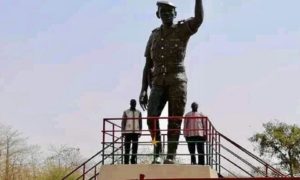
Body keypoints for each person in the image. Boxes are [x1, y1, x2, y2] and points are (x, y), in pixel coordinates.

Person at [139, 0, 204, 164]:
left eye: (170, 12)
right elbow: (148, 64)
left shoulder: (182, 30)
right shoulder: (153, 35)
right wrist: (144, 89)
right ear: (158, 14)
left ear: (175, 14)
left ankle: (170, 155)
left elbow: (198, 19)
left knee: (174, 120)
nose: (167, 14)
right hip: (158, 81)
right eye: (163, 12)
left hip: (177, 80)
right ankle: (157, 150)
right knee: (151, 119)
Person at [121, 99, 142, 164]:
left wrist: (140, 131)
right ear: (130, 103)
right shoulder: (126, 112)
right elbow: (123, 122)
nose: (133, 104)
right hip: (127, 132)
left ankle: (133, 160)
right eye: (132, 103)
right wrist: (123, 132)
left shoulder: (138, 112)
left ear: (136, 104)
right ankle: (126, 161)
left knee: (135, 148)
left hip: (136, 132)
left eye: (134, 103)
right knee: (127, 147)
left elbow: (140, 122)